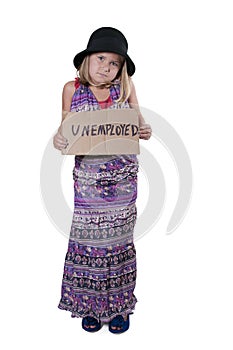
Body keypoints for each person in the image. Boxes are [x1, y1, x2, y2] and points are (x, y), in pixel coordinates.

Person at [53, 27, 152, 333]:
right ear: (87, 59)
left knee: (119, 241)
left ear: (121, 69)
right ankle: (90, 306)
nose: (105, 67)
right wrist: (59, 138)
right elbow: (66, 129)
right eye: (100, 58)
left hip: (123, 179)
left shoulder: (125, 88)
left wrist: (144, 129)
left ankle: (120, 306)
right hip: (89, 180)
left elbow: (138, 123)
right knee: (90, 241)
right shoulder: (72, 89)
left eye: (113, 63)